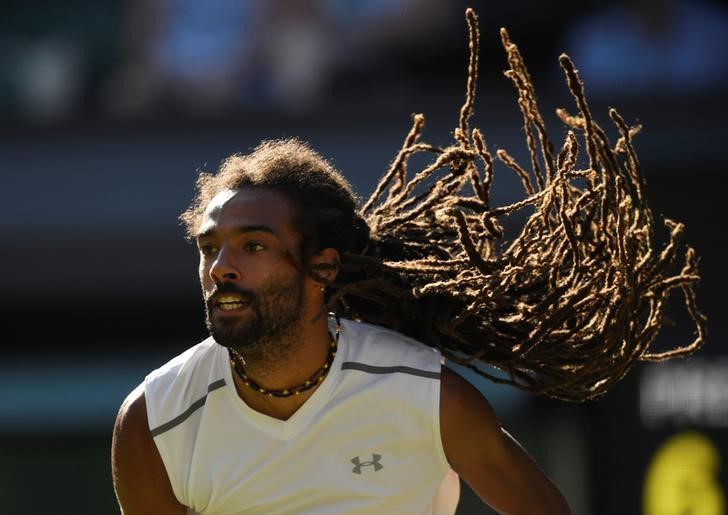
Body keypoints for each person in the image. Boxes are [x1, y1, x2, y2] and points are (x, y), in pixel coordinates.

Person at [112, 8, 704, 514]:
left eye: (254, 245)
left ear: (322, 268)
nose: (221, 268)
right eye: (210, 248)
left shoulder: (425, 395)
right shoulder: (151, 422)